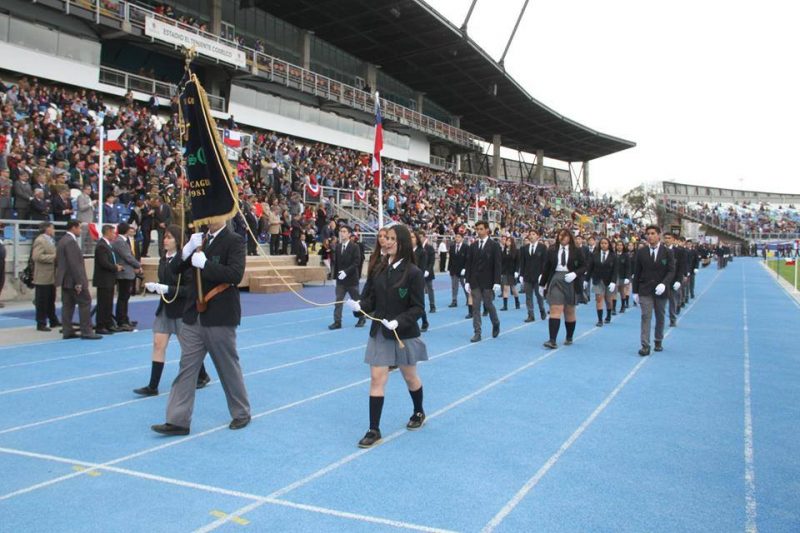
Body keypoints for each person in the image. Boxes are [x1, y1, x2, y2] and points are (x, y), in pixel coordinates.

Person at [152, 219, 251, 436]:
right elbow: (175, 268)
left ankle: (241, 412)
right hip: (193, 315)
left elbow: (235, 275)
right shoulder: (199, 241)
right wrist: (186, 250)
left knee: (227, 368)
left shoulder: (234, 241)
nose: (210, 218)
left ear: (224, 216)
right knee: (186, 369)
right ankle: (178, 420)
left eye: (215, 214)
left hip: (219, 315)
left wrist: (206, 264)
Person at [345, 224, 428, 448]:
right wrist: (359, 305)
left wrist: (399, 321)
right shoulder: (379, 268)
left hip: (404, 334)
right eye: (385, 238)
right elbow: (371, 300)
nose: (386, 242)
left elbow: (418, 308)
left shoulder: (413, 273)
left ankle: (418, 411)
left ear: (401, 242)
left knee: (410, 377)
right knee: (376, 378)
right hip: (380, 332)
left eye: (392, 238)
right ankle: (374, 429)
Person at [135, 225, 210, 396]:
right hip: (165, 307)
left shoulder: (186, 261)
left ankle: (202, 374)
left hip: (182, 310)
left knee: (188, 347)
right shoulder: (163, 259)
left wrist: (166, 288)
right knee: (158, 344)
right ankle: (153, 386)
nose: (165, 240)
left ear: (178, 240)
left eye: (169, 237)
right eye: (164, 237)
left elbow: (190, 290)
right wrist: (157, 288)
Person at [539, 229, 588, 349]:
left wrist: (575, 274)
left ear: (570, 238)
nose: (562, 238)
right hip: (556, 279)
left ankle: (569, 336)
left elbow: (584, 266)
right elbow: (547, 268)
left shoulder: (577, 251)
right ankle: (552, 340)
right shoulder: (552, 250)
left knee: (569, 311)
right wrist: (542, 284)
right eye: (560, 235)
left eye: (565, 236)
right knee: (556, 307)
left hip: (571, 280)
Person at [633, 225, 676, 356]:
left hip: (661, 290)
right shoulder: (641, 252)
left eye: (653, 233)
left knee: (660, 316)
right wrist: (635, 292)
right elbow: (637, 272)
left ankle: (658, 339)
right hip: (645, 290)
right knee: (646, 316)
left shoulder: (667, 252)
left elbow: (671, 270)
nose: (650, 236)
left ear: (659, 235)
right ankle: (645, 345)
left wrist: (664, 284)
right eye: (648, 234)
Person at [56, 220, 101, 340]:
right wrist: (79, 282)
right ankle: (86, 331)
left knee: (68, 305)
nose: (80, 231)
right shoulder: (70, 242)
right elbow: (74, 264)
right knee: (85, 303)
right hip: (73, 280)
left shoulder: (62, 240)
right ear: (73, 228)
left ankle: (67, 330)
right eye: (79, 228)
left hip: (66, 279)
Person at [465, 220, 501, 342]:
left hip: (488, 281)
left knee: (488, 304)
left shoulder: (494, 245)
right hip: (475, 281)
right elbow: (469, 264)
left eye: (481, 229)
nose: (479, 231)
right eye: (477, 229)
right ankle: (477, 332)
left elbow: (497, 264)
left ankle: (495, 322)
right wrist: (467, 281)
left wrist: (497, 281)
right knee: (475, 307)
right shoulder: (473, 246)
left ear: (487, 230)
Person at [329, 225, 364, 329]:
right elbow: (337, 264)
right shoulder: (338, 246)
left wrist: (346, 272)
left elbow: (357, 262)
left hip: (352, 280)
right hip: (341, 281)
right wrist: (335, 277)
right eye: (341, 231)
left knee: (356, 301)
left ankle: (362, 317)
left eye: (344, 231)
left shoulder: (355, 247)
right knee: (338, 301)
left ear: (349, 234)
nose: (342, 233)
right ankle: (337, 321)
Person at [31, 222, 61, 331]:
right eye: (52, 228)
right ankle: (41, 322)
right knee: (42, 300)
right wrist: (54, 257)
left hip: (51, 275)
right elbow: (37, 256)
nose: (54, 230)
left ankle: (53, 320)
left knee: (50, 299)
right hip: (43, 276)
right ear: (47, 229)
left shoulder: (50, 240)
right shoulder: (40, 240)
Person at [112, 222, 142, 331]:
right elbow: (127, 256)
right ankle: (122, 320)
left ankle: (124, 318)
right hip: (123, 273)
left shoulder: (122, 241)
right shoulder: (120, 242)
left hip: (127, 272)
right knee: (123, 298)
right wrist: (138, 265)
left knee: (125, 297)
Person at [93, 225, 123, 334]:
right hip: (103, 279)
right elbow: (104, 263)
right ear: (108, 232)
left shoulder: (107, 245)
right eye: (113, 232)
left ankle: (108, 323)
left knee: (108, 303)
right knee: (103, 304)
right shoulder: (101, 245)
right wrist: (115, 267)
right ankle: (100, 325)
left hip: (109, 279)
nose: (114, 235)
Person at [586, 237, 618, 327]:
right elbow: (590, 268)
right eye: (602, 243)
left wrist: (613, 282)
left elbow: (615, 270)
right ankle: (600, 319)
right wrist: (586, 279)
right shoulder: (595, 255)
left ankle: (608, 315)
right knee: (599, 299)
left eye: (605, 243)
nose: (603, 245)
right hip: (597, 280)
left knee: (608, 300)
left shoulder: (613, 256)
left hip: (609, 281)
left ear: (609, 245)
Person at [518, 229, 547, 322]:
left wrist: (543, 274)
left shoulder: (542, 247)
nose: (531, 236)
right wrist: (521, 275)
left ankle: (542, 310)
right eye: (530, 234)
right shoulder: (525, 248)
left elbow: (545, 262)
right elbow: (522, 262)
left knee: (539, 296)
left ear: (537, 236)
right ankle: (530, 314)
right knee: (528, 296)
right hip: (527, 276)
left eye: (533, 234)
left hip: (538, 276)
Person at [664, 232, 686, 327]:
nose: (667, 240)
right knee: (660, 303)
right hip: (662, 281)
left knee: (672, 301)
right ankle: (660, 319)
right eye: (665, 238)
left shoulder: (679, 251)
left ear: (673, 240)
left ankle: (672, 319)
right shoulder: (661, 250)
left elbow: (681, 267)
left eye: (669, 238)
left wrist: (678, 280)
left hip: (673, 280)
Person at [411, 232, 431, 332]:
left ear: (417, 239)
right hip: (406, 280)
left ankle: (424, 321)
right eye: (409, 237)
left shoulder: (422, 252)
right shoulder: (407, 252)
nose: (411, 239)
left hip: (417, 281)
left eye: (413, 237)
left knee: (418, 302)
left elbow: (421, 269)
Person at [447, 233, 469, 309]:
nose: (457, 238)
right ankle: (454, 301)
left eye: (459, 237)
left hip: (463, 270)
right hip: (454, 270)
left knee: (465, 286)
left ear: (462, 238)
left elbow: (468, 259)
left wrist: (465, 268)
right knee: (454, 286)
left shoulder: (466, 247)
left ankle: (468, 299)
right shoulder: (452, 247)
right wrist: (448, 269)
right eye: (456, 237)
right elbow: (450, 259)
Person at [499, 235, 520, 311]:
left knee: (513, 288)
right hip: (505, 272)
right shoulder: (503, 251)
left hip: (512, 272)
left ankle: (517, 302)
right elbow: (502, 262)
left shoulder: (516, 251)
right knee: (505, 288)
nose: (507, 242)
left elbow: (518, 262)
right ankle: (505, 306)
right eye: (506, 241)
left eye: (509, 241)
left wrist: (516, 271)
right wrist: (501, 272)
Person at [419, 233, 436, 314]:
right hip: (418, 273)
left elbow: (432, 261)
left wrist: (428, 270)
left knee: (430, 289)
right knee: (419, 290)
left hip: (427, 273)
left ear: (424, 237)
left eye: (421, 237)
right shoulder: (418, 248)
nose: (419, 238)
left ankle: (432, 306)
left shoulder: (429, 248)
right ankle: (420, 307)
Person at [612, 240, 631, 314]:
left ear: (623, 246)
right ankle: (613, 308)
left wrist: (627, 277)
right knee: (614, 291)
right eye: (618, 245)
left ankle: (623, 306)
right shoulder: (613, 254)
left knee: (622, 291)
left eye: (621, 245)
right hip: (615, 275)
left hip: (623, 275)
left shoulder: (626, 255)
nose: (619, 246)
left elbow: (628, 267)